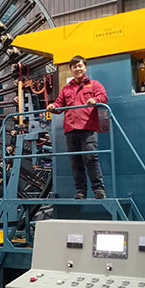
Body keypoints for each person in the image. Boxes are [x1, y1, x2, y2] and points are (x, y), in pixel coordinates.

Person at [46, 55, 108, 199]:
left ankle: (99, 190)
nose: (77, 69)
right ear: (71, 69)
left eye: (80, 66)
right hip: (71, 129)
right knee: (76, 162)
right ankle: (81, 191)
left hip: (88, 128)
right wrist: (52, 106)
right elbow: (59, 104)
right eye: (74, 67)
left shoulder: (94, 85)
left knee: (91, 158)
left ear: (85, 67)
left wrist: (95, 100)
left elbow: (103, 97)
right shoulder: (66, 89)